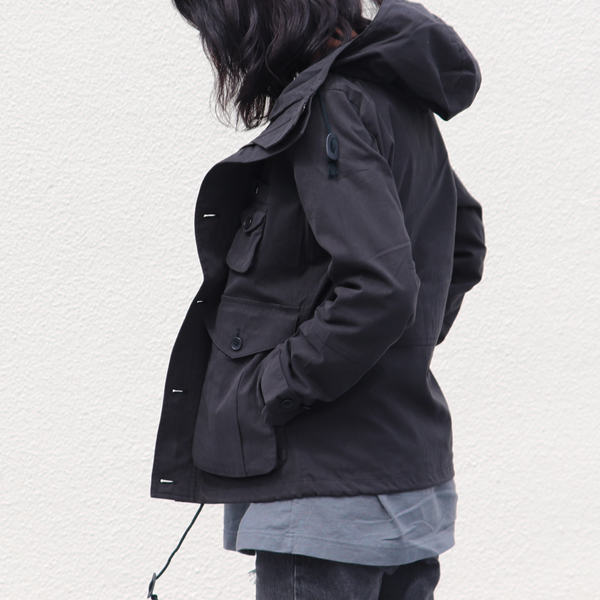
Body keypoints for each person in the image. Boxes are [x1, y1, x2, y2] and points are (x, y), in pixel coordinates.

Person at [150, 0, 486, 598]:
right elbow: (462, 246)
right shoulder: (394, 98)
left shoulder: (330, 104)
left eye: (214, 29)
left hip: (325, 500)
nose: (217, 49)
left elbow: (382, 290)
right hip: (405, 487)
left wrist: (272, 388)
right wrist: (397, 352)